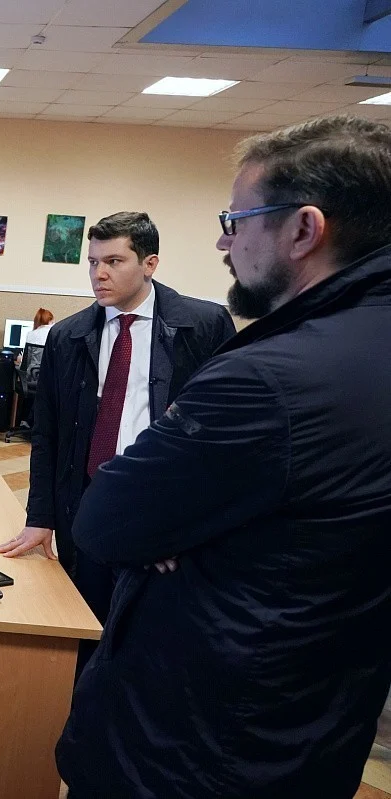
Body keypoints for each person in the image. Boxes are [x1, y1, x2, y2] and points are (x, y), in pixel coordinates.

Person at [57, 115, 391, 799]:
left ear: (303, 229)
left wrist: (176, 521)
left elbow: (107, 519)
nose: (221, 241)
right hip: (319, 716)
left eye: (235, 221)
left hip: (202, 737)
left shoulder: (272, 377)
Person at [0, 211, 235, 670]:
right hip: (88, 502)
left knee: (151, 643)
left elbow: (222, 441)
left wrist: (184, 526)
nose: (98, 274)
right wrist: (40, 517)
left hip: (162, 508)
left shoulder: (203, 326)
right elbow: (47, 434)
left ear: (150, 264)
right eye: (92, 262)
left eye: (114, 261)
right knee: (86, 630)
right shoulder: (67, 336)